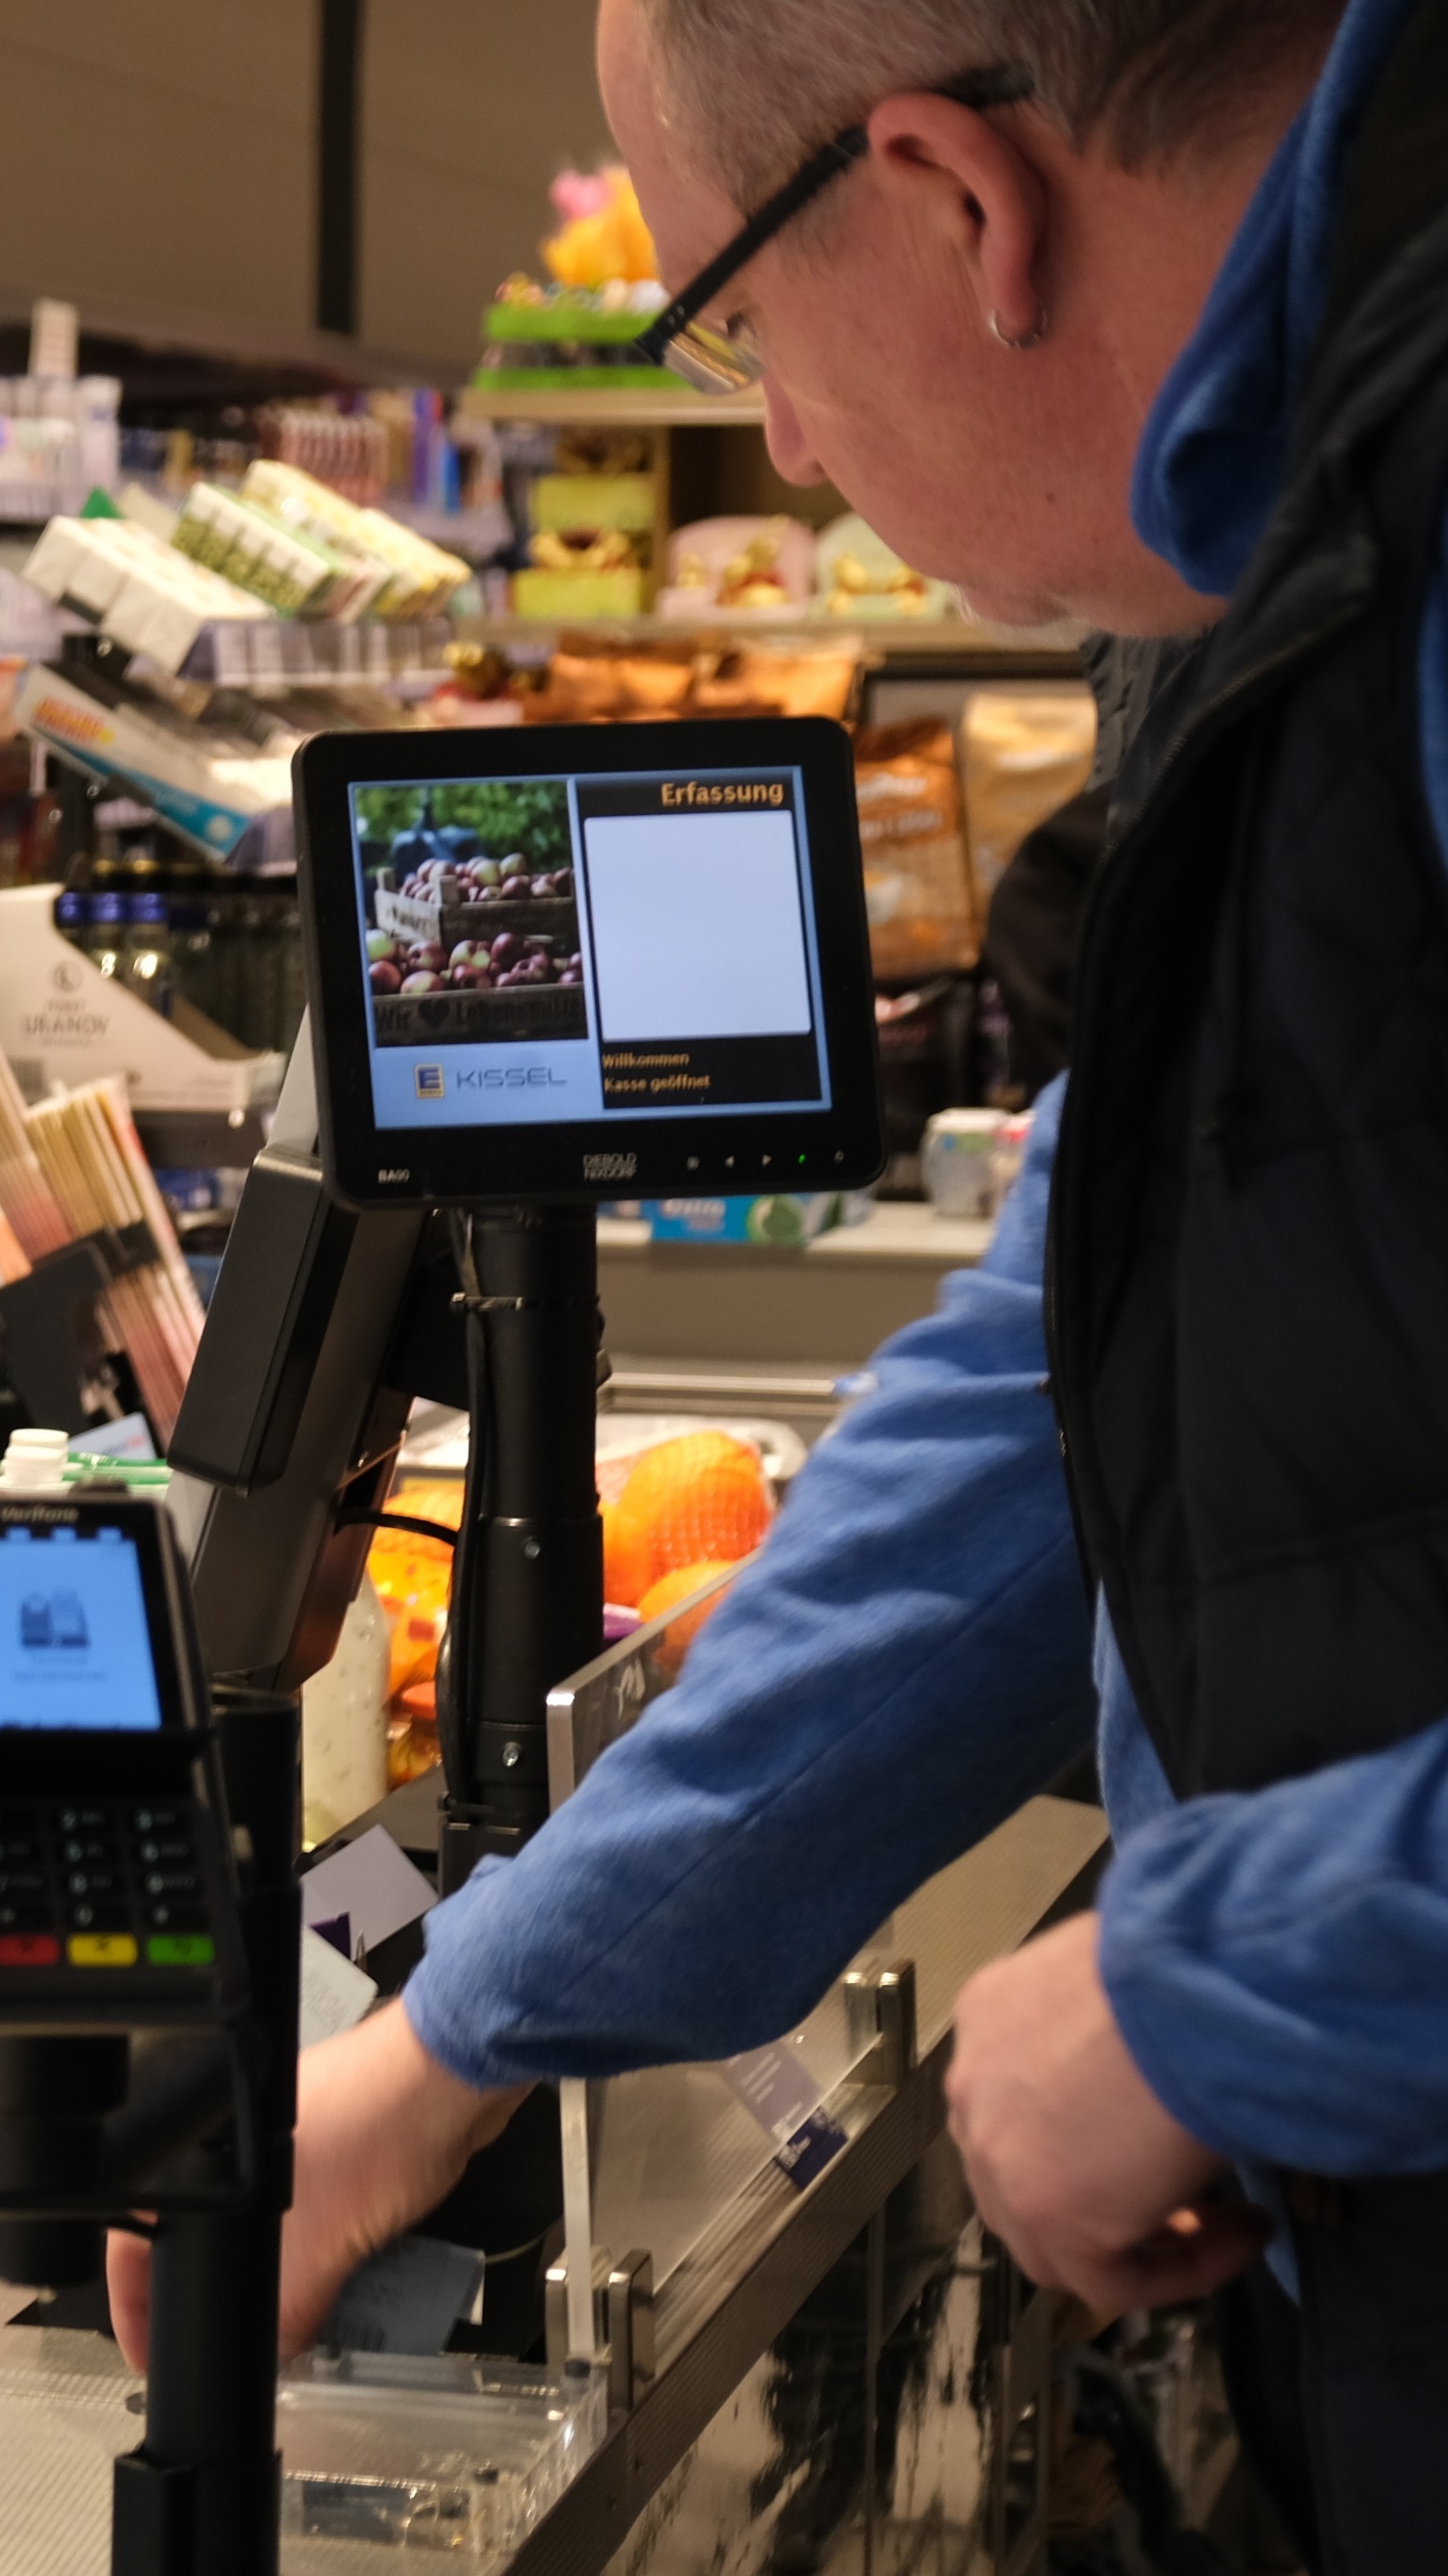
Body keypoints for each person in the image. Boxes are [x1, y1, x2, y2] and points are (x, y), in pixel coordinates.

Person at [111, 4, 1448, 2565]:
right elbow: (1049, 1388)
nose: (793, 446)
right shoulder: (1266, 555)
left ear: (958, 196)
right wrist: (450, 2038)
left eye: (733, 326)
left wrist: (1219, 1977)